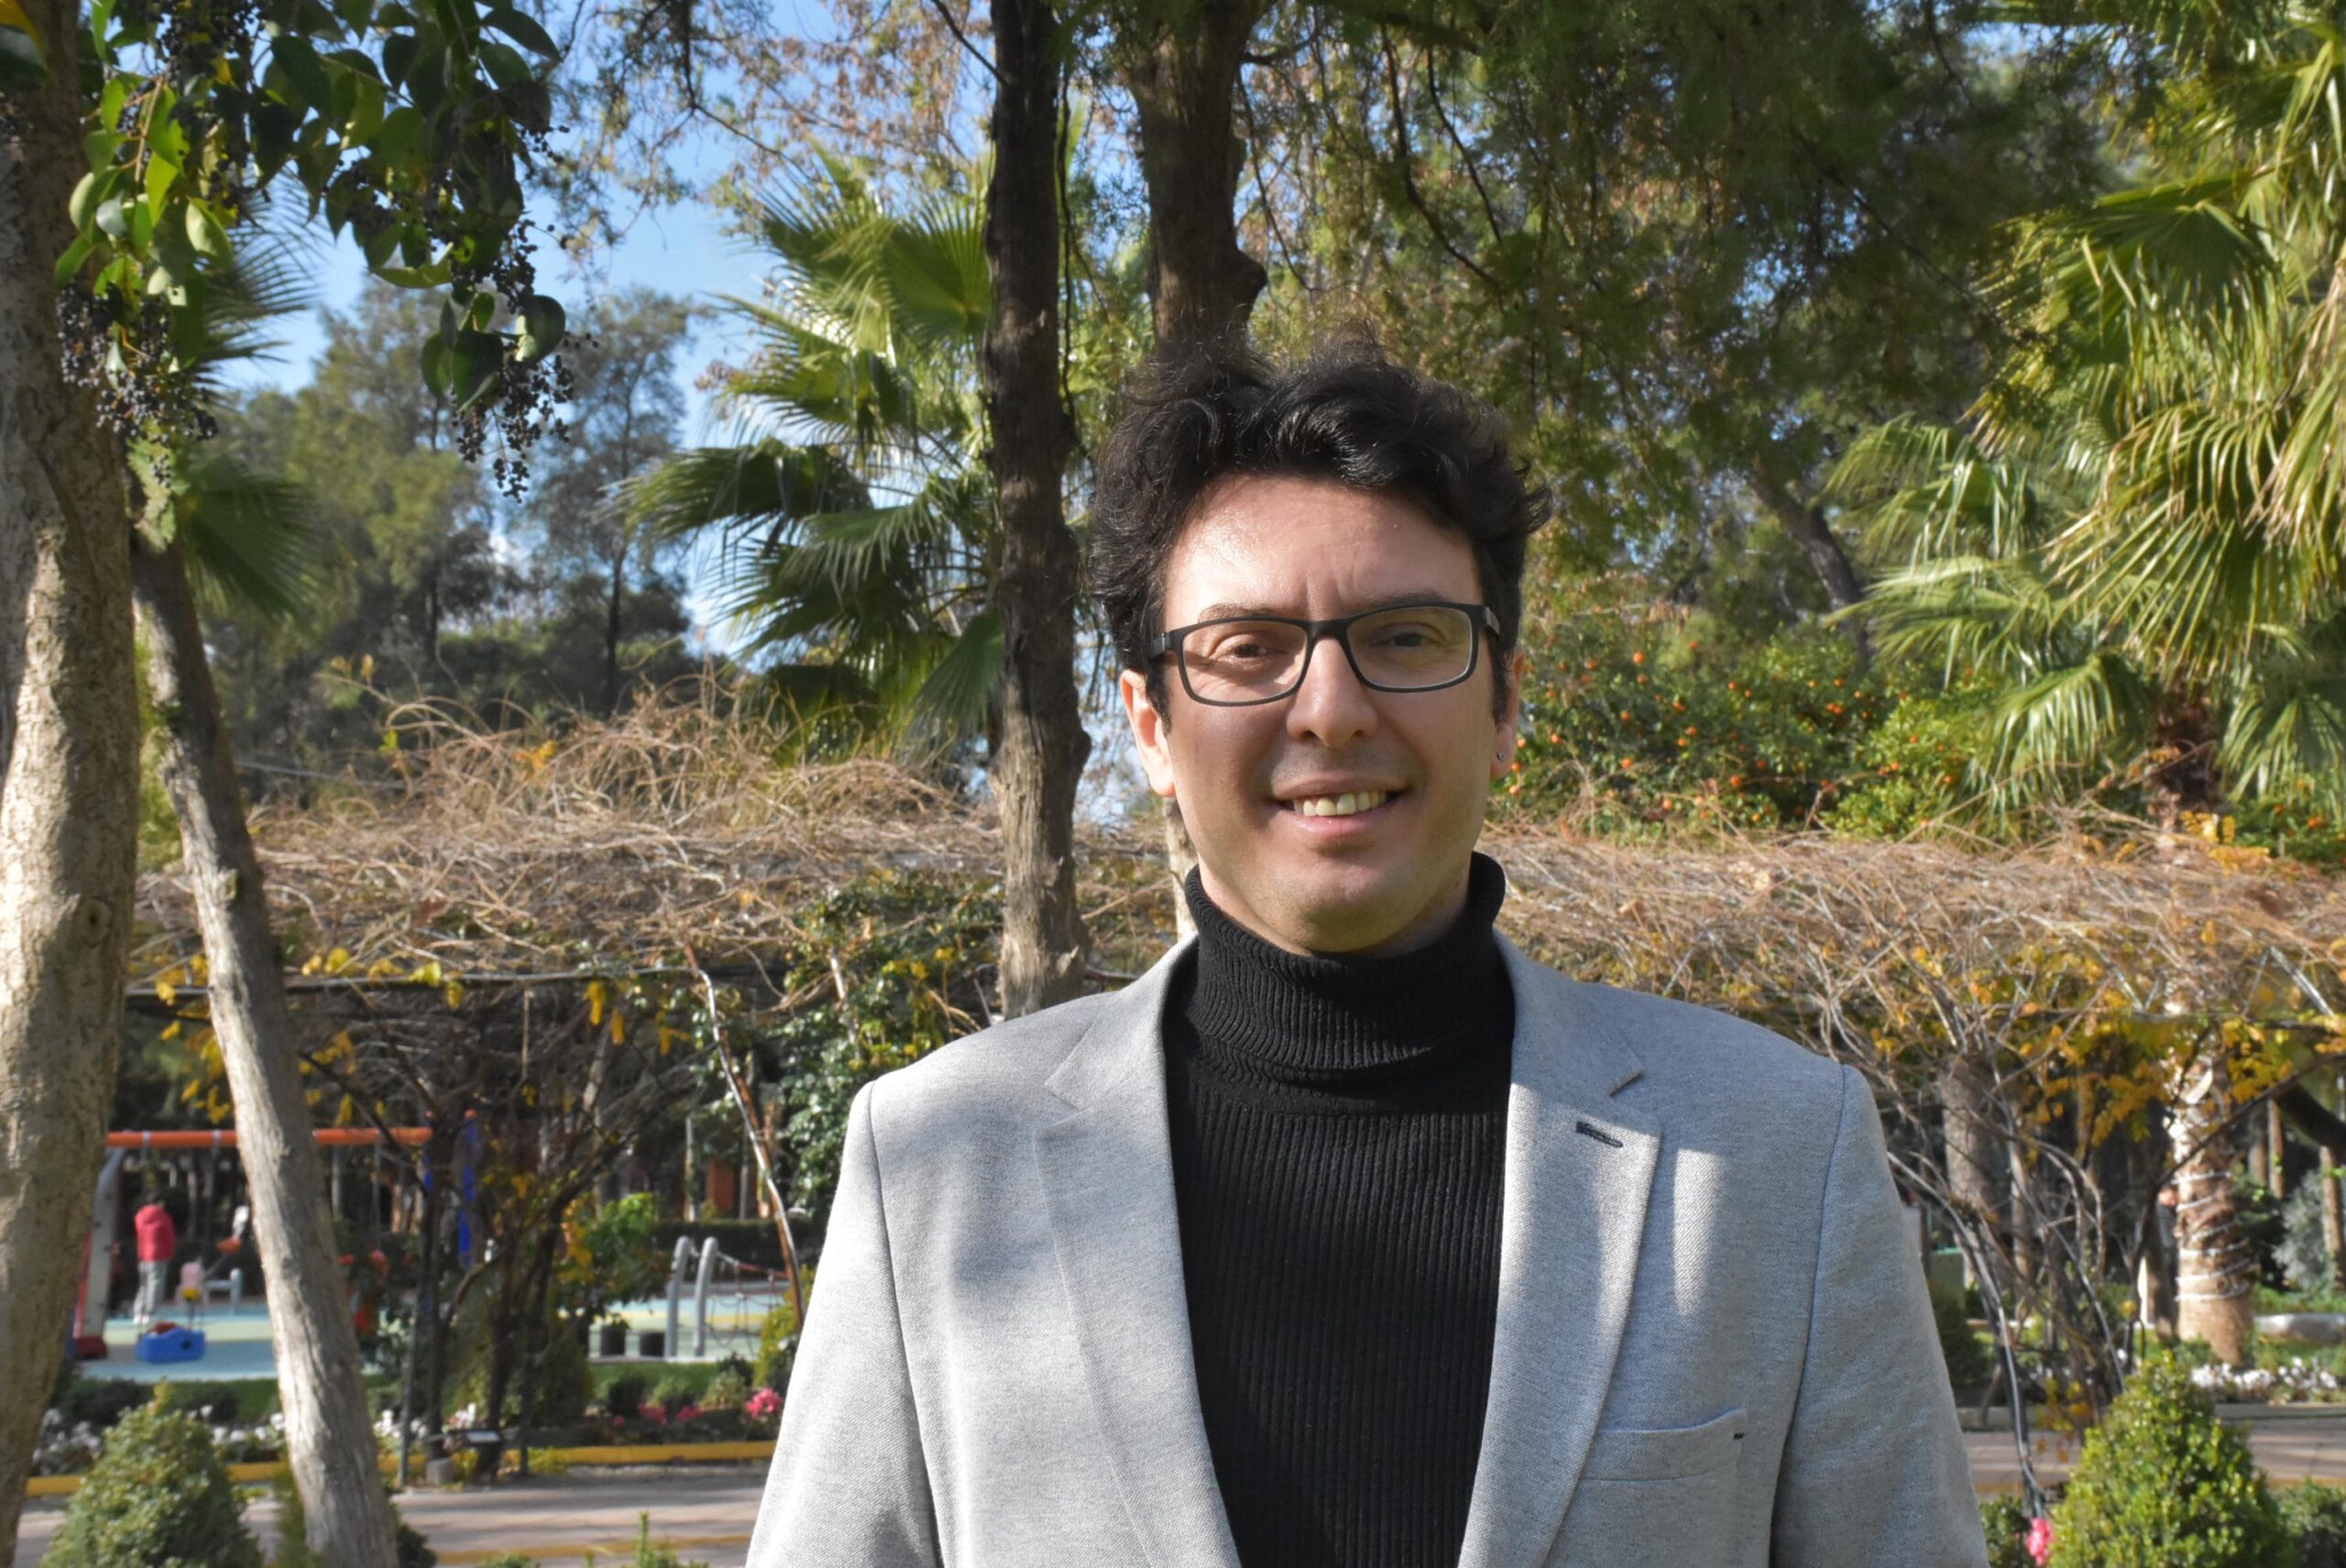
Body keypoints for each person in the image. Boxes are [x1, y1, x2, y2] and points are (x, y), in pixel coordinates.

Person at [747, 340, 1983, 1567]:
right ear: (1151, 727)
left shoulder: (1773, 1151)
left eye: (1405, 636)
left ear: (1504, 703)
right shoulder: (937, 1160)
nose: (1331, 708)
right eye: (1247, 648)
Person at [131, 1189, 177, 1332]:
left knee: (143, 1285)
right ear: (160, 1203)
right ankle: (150, 1313)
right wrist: (170, 1253)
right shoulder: (163, 1216)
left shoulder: (140, 1215)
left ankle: (138, 1312)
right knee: (155, 1284)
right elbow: (169, 1237)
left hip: (143, 1254)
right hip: (158, 1254)